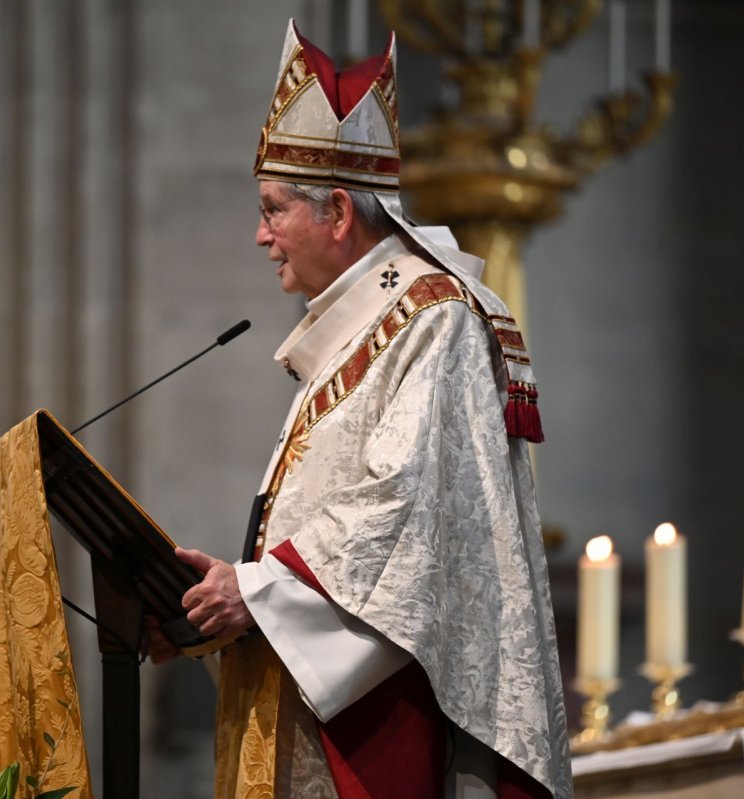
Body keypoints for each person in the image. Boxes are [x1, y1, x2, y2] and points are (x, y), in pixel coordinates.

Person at [150, 20, 572, 799]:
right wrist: (241, 581)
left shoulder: (432, 319)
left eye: (275, 209)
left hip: (378, 727)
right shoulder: (363, 327)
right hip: (316, 699)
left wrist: (259, 589)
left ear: (338, 212)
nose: (261, 235)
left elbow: (401, 515)